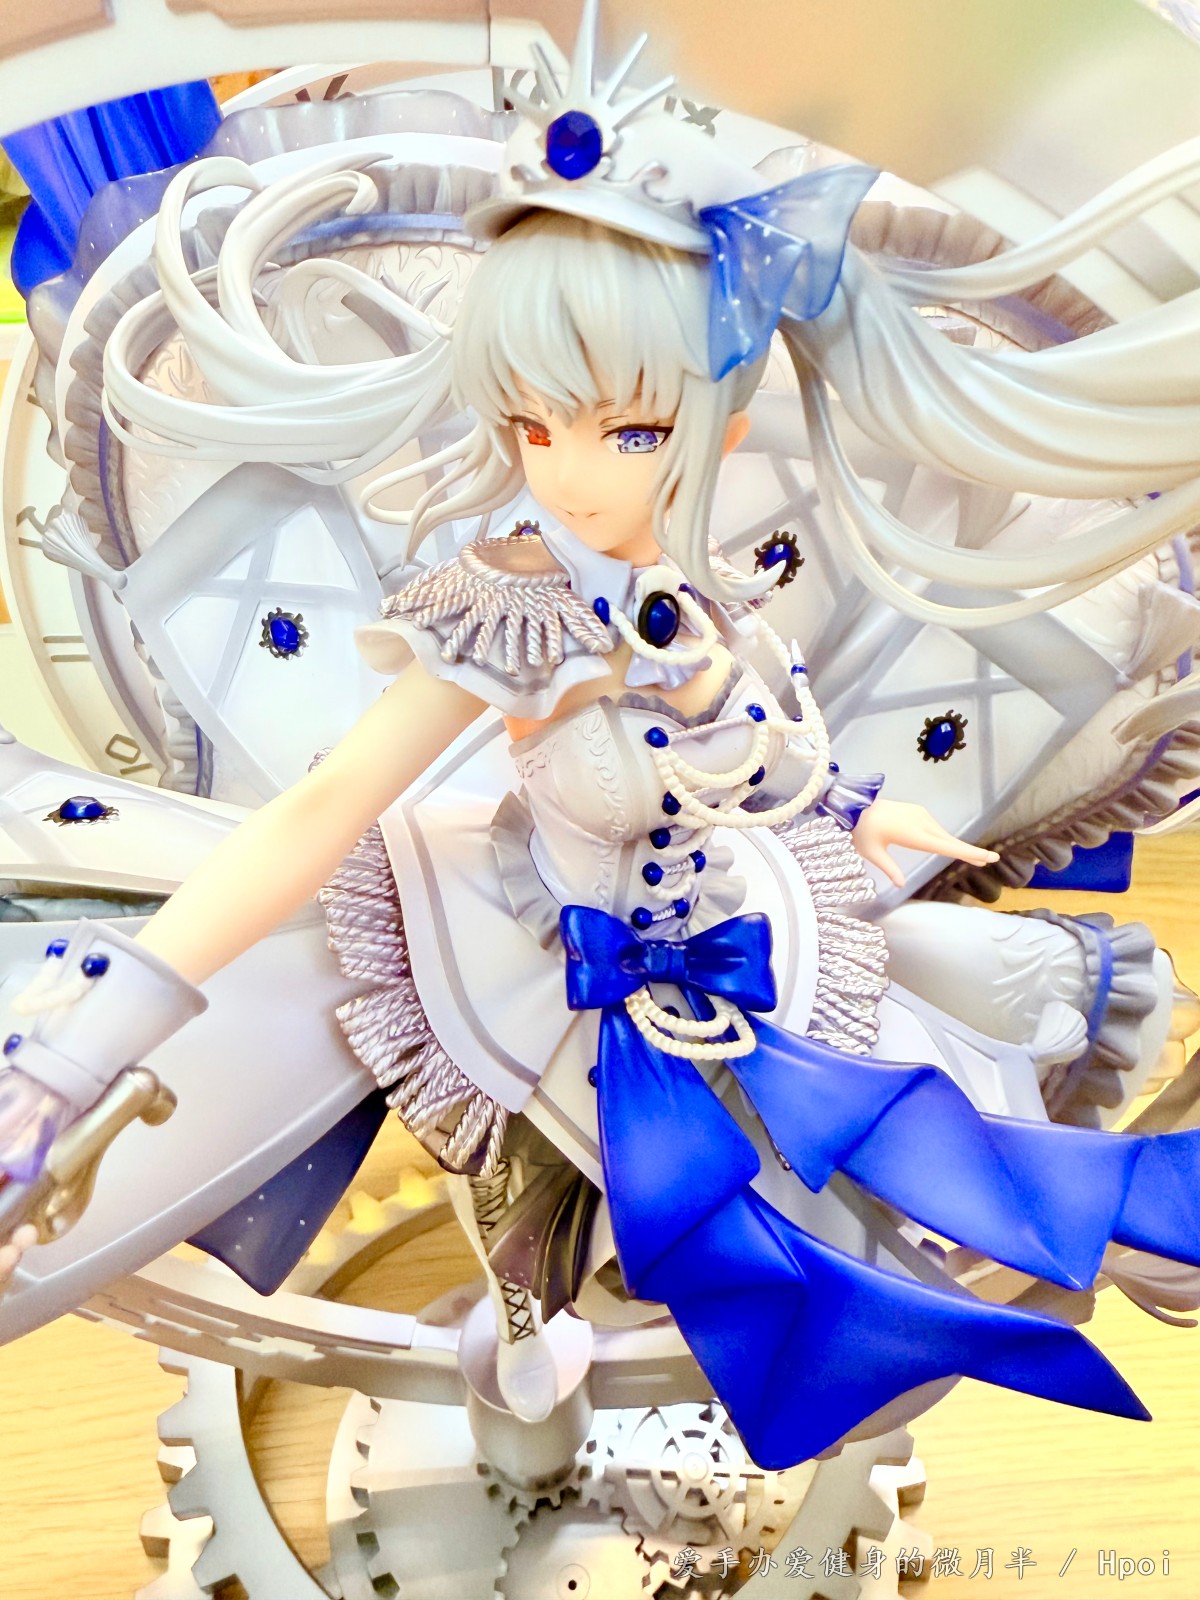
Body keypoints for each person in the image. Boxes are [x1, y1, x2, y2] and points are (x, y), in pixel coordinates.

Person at [3, 0, 1200, 1469]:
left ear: (718, 419)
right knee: (708, 1183)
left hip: (740, 911)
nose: (568, 475)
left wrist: (851, 814)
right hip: (537, 943)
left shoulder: (696, 587)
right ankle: (537, 1328)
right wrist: (81, 1051)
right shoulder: (501, 604)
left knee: (923, 1103)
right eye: (534, 425)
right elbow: (319, 812)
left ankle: (1115, 1232)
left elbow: (773, 750)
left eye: (629, 432)